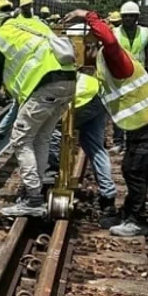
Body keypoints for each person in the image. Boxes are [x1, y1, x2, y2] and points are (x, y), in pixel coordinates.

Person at [64, 8, 148, 237]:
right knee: (131, 167)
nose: (82, 52)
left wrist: (87, 15)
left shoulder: (113, 56)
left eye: (84, 46)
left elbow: (110, 40)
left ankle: (137, 221)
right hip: (139, 120)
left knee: (134, 169)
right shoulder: (103, 61)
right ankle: (129, 214)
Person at [0, 0, 77, 218]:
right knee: (41, 138)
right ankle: (36, 191)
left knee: (21, 139)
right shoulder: (33, 22)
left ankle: (33, 199)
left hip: (45, 85)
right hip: (68, 82)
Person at [44, 70, 119, 224]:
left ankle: (51, 176)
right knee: (95, 146)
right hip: (96, 92)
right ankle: (108, 197)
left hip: (81, 97)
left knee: (53, 131)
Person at [112, 1, 148, 154]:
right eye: (125, 16)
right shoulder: (115, 33)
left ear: (137, 17)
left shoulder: (145, 33)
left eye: (131, 16)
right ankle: (118, 142)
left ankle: (132, 142)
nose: (128, 19)